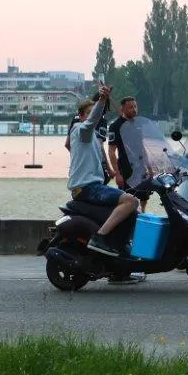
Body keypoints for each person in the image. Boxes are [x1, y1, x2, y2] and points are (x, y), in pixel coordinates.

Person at [76, 87, 142, 257]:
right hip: (87, 187)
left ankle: (121, 247)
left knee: (134, 211)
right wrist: (102, 100)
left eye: (94, 113)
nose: (92, 116)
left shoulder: (93, 137)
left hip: (95, 185)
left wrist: (109, 171)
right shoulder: (80, 130)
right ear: (81, 117)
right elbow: (92, 121)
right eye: (88, 113)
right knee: (132, 201)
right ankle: (99, 238)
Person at [107, 97, 152, 211]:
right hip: (125, 168)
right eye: (130, 107)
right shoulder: (115, 126)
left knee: (144, 196)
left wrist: (149, 167)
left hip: (140, 167)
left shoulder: (138, 124)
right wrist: (117, 173)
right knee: (127, 198)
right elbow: (111, 151)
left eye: (135, 106)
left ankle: (143, 214)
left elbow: (142, 147)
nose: (134, 109)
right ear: (123, 109)